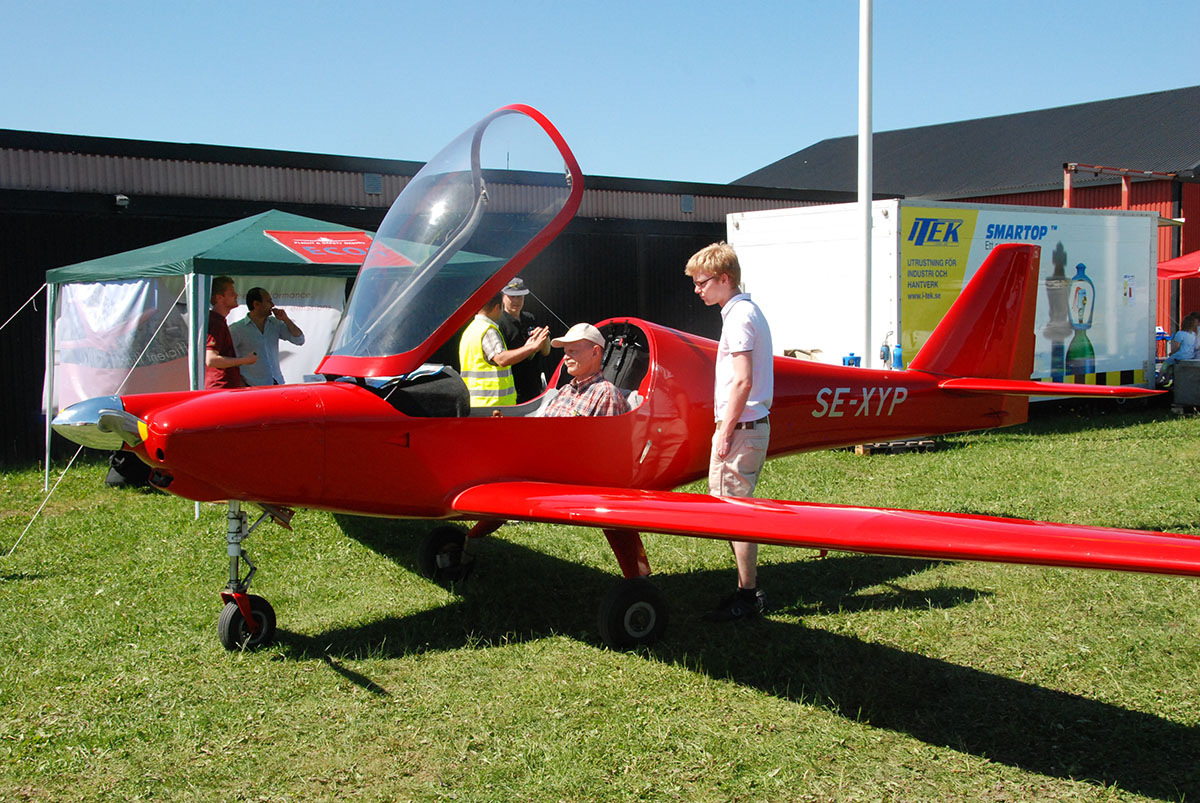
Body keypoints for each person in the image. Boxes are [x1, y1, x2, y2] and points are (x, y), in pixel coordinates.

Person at [686, 242, 774, 622]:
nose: (697, 289)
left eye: (702, 282)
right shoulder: (743, 312)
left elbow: (742, 382)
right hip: (747, 426)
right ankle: (746, 590)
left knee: (734, 511)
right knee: (732, 508)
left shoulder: (739, 318)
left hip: (741, 428)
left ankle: (748, 595)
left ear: (725, 279)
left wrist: (724, 431)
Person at [458, 292, 549, 407]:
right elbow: (501, 359)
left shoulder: (471, 329)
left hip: (477, 401)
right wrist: (532, 347)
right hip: (492, 403)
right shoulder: (488, 330)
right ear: (497, 307)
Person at [536, 323, 630, 417]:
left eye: (572, 351)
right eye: (565, 352)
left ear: (595, 352)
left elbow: (607, 432)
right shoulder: (565, 390)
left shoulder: (606, 394)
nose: (565, 357)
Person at [230, 287, 306, 386]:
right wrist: (242, 384)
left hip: (276, 383)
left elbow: (299, 340)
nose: (273, 305)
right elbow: (229, 361)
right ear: (256, 304)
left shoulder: (275, 324)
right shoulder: (237, 329)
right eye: (269, 301)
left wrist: (286, 319)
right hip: (252, 387)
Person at [497, 277, 553, 403]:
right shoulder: (499, 323)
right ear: (503, 296)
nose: (516, 301)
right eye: (512, 297)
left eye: (520, 297)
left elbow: (546, 352)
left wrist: (544, 337)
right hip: (513, 389)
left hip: (534, 386)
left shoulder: (530, 318)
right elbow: (503, 359)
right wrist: (530, 349)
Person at [205, 276, 256, 389]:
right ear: (219, 298)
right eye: (231, 293)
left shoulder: (218, 321)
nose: (236, 295)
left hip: (224, 388)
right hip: (219, 390)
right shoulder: (215, 323)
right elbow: (211, 360)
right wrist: (245, 360)